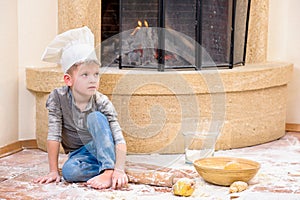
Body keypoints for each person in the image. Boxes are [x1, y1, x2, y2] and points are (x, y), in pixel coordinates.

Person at [33, 26, 128, 189]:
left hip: (102, 146)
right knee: (69, 173)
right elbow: (54, 135)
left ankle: (108, 169)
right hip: (79, 154)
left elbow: (118, 137)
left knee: (95, 117)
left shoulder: (102, 102)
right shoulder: (57, 99)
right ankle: (106, 167)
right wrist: (53, 171)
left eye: (96, 74)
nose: (93, 80)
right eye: (85, 74)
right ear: (68, 80)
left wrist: (118, 169)